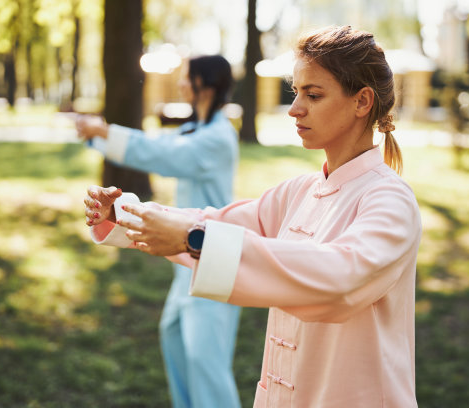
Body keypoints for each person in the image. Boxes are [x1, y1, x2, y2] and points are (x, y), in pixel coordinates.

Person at [85, 26, 422, 407]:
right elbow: (218, 221)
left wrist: (194, 240)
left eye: (313, 95)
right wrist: (127, 213)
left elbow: (342, 279)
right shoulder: (299, 190)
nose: (295, 108)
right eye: (296, 93)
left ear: (362, 101)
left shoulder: (390, 199)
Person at [78, 55, 242, 408]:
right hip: (187, 259)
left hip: (214, 258)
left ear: (207, 86)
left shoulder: (217, 137)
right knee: (175, 342)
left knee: (206, 364)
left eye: (188, 78)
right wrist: (98, 138)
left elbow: (160, 154)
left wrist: (104, 131)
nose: (181, 84)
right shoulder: (194, 129)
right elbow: (158, 145)